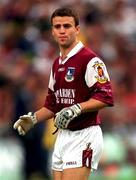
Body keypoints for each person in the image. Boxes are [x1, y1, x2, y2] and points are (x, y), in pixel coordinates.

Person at [13, 7, 114, 180]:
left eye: (67, 26)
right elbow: (53, 104)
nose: (62, 31)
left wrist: (76, 108)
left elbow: (106, 96)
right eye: (57, 27)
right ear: (52, 31)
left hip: (84, 134)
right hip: (62, 135)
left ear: (77, 29)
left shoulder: (90, 60)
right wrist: (34, 118)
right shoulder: (56, 64)